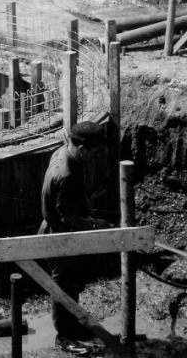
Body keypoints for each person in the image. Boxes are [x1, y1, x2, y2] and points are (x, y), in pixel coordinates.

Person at [39, 117, 112, 356]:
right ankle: (64, 336)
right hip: (59, 234)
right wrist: (95, 224)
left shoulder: (65, 152)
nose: (95, 156)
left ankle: (74, 327)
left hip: (66, 231)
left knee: (74, 280)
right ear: (82, 148)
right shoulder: (66, 173)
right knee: (64, 285)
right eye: (94, 151)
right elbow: (67, 216)